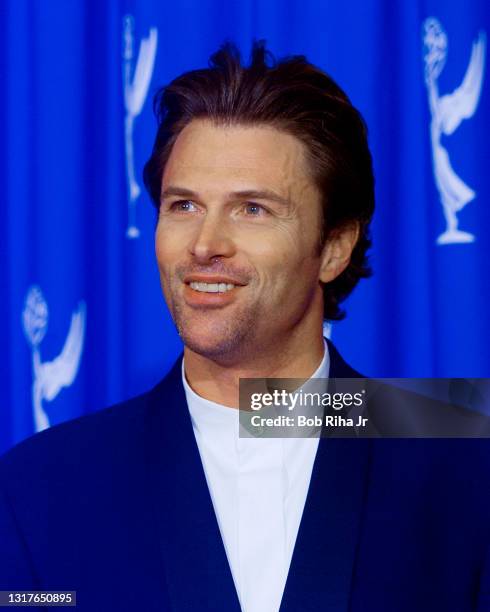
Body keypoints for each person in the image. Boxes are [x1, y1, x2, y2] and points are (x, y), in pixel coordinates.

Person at [1, 41, 489, 612]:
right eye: (183, 205)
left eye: (252, 209)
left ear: (333, 246)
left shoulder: (462, 454)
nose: (206, 245)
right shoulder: (42, 486)